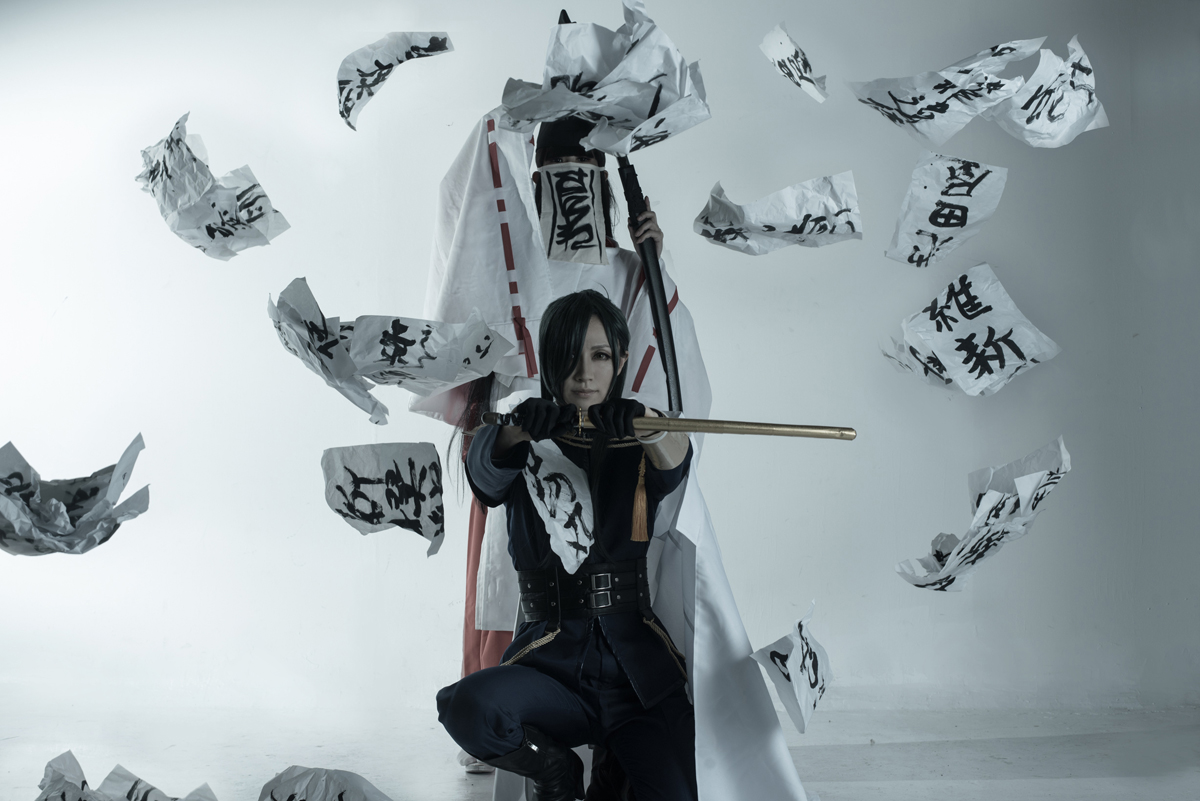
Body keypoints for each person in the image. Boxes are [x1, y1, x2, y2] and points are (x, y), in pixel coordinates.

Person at [419, 113, 713, 776]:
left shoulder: (625, 266)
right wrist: (516, 427)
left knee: (621, 593)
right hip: (532, 456)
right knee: (524, 584)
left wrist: (654, 264)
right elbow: (480, 351)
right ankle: (519, 731)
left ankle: (620, 730)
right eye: (555, 179)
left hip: (612, 462)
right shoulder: (514, 253)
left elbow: (656, 359)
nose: (569, 194)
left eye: (580, 179)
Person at [438, 289, 698, 801]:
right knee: (467, 706)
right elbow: (485, 480)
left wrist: (646, 422)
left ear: (620, 360)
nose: (584, 374)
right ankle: (557, 772)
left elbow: (677, 458)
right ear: (548, 361)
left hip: (636, 675)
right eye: (569, 357)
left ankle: (614, 772)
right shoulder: (519, 430)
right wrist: (517, 433)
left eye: (600, 356)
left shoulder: (641, 434)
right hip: (550, 665)